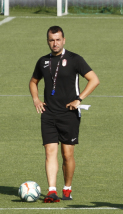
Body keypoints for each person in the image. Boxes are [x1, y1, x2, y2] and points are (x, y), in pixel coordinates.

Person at [29, 26, 99, 203]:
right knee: (49, 152)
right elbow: (33, 81)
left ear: (64, 40)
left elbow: (94, 80)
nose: (55, 43)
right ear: (47, 41)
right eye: (52, 40)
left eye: (58, 39)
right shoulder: (43, 61)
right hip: (48, 114)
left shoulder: (75, 59)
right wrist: (36, 99)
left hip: (69, 114)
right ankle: (52, 191)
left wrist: (79, 99)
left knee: (67, 155)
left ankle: (67, 188)